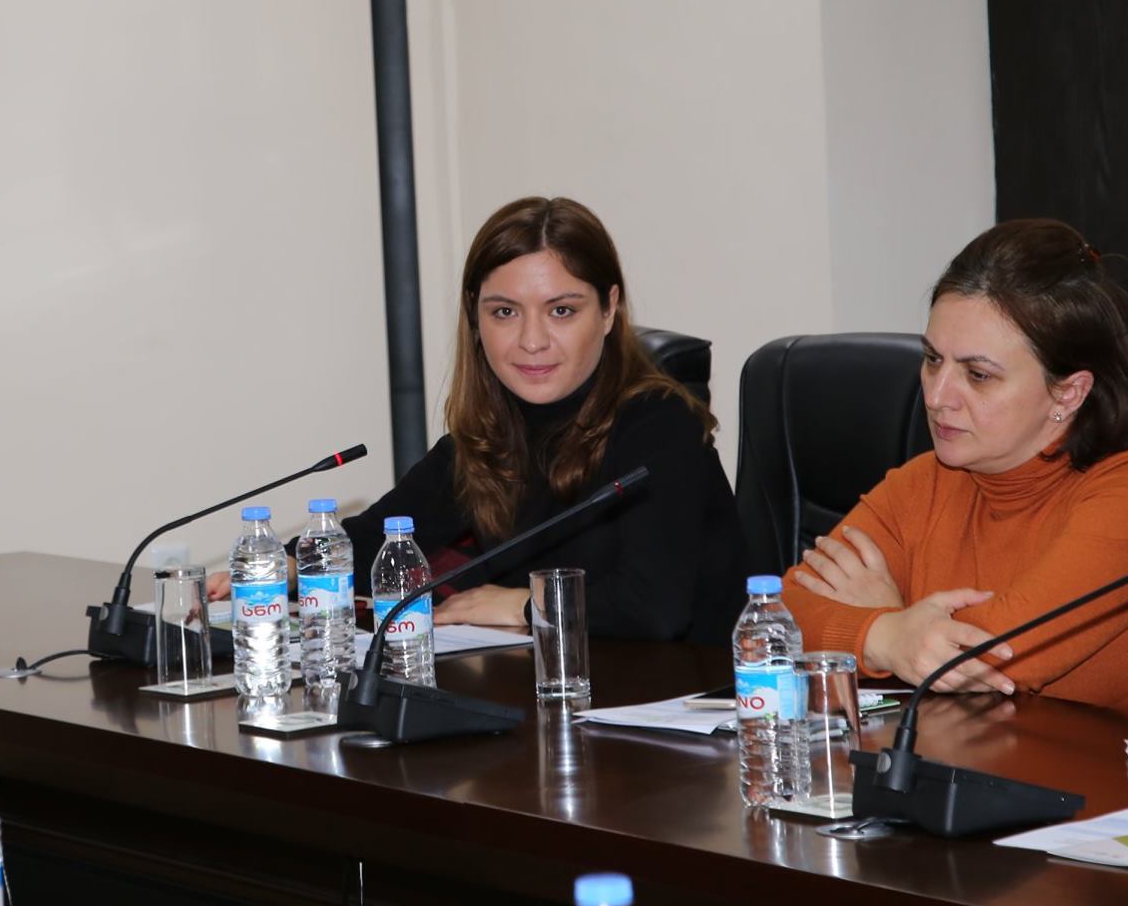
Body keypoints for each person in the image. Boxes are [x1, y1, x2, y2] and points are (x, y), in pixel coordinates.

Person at [785, 219, 1128, 726]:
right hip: (1003, 757)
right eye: (933, 360)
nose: (937, 396)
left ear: (1068, 392)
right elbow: (781, 617)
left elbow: (996, 657)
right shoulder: (925, 482)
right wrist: (891, 634)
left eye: (978, 375)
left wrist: (882, 629)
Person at [213, 196, 743, 643]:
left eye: (561, 310)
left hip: (683, 707)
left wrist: (522, 605)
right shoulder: (493, 433)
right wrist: (284, 566)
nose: (532, 340)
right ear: (475, 318)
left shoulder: (660, 424)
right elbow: (381, 536)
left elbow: (654, 609)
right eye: (504, 312)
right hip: (553, 695)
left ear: (608, 310)